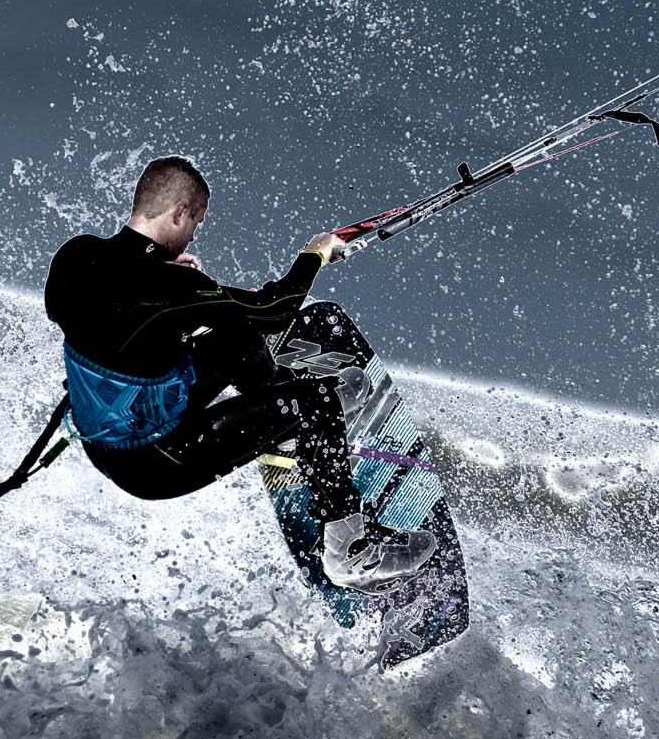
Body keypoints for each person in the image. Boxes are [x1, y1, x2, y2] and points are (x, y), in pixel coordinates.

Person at [43, 155, 435, 590]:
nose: (194, 233)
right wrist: (315, 255)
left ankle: (285, 427)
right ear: (179, 212)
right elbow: (274, 311)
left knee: (239, 336)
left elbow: (102, 311)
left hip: (104, 439)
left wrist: (164, 283)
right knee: (317, 397)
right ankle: (349, 552)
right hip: (155, 461)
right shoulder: (172, 287)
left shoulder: (77, 257)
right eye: (197, 222)